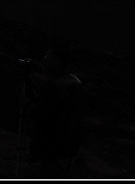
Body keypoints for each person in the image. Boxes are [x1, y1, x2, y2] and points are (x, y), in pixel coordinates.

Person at [21, 44, 85, 178]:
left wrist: (26, 104)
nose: (44, 59)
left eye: (47, 56)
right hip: (69, 149)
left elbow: (40, 114)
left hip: (51, 150)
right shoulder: (75, 82)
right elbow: (56, 107)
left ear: (58, 60)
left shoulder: (55, 86)